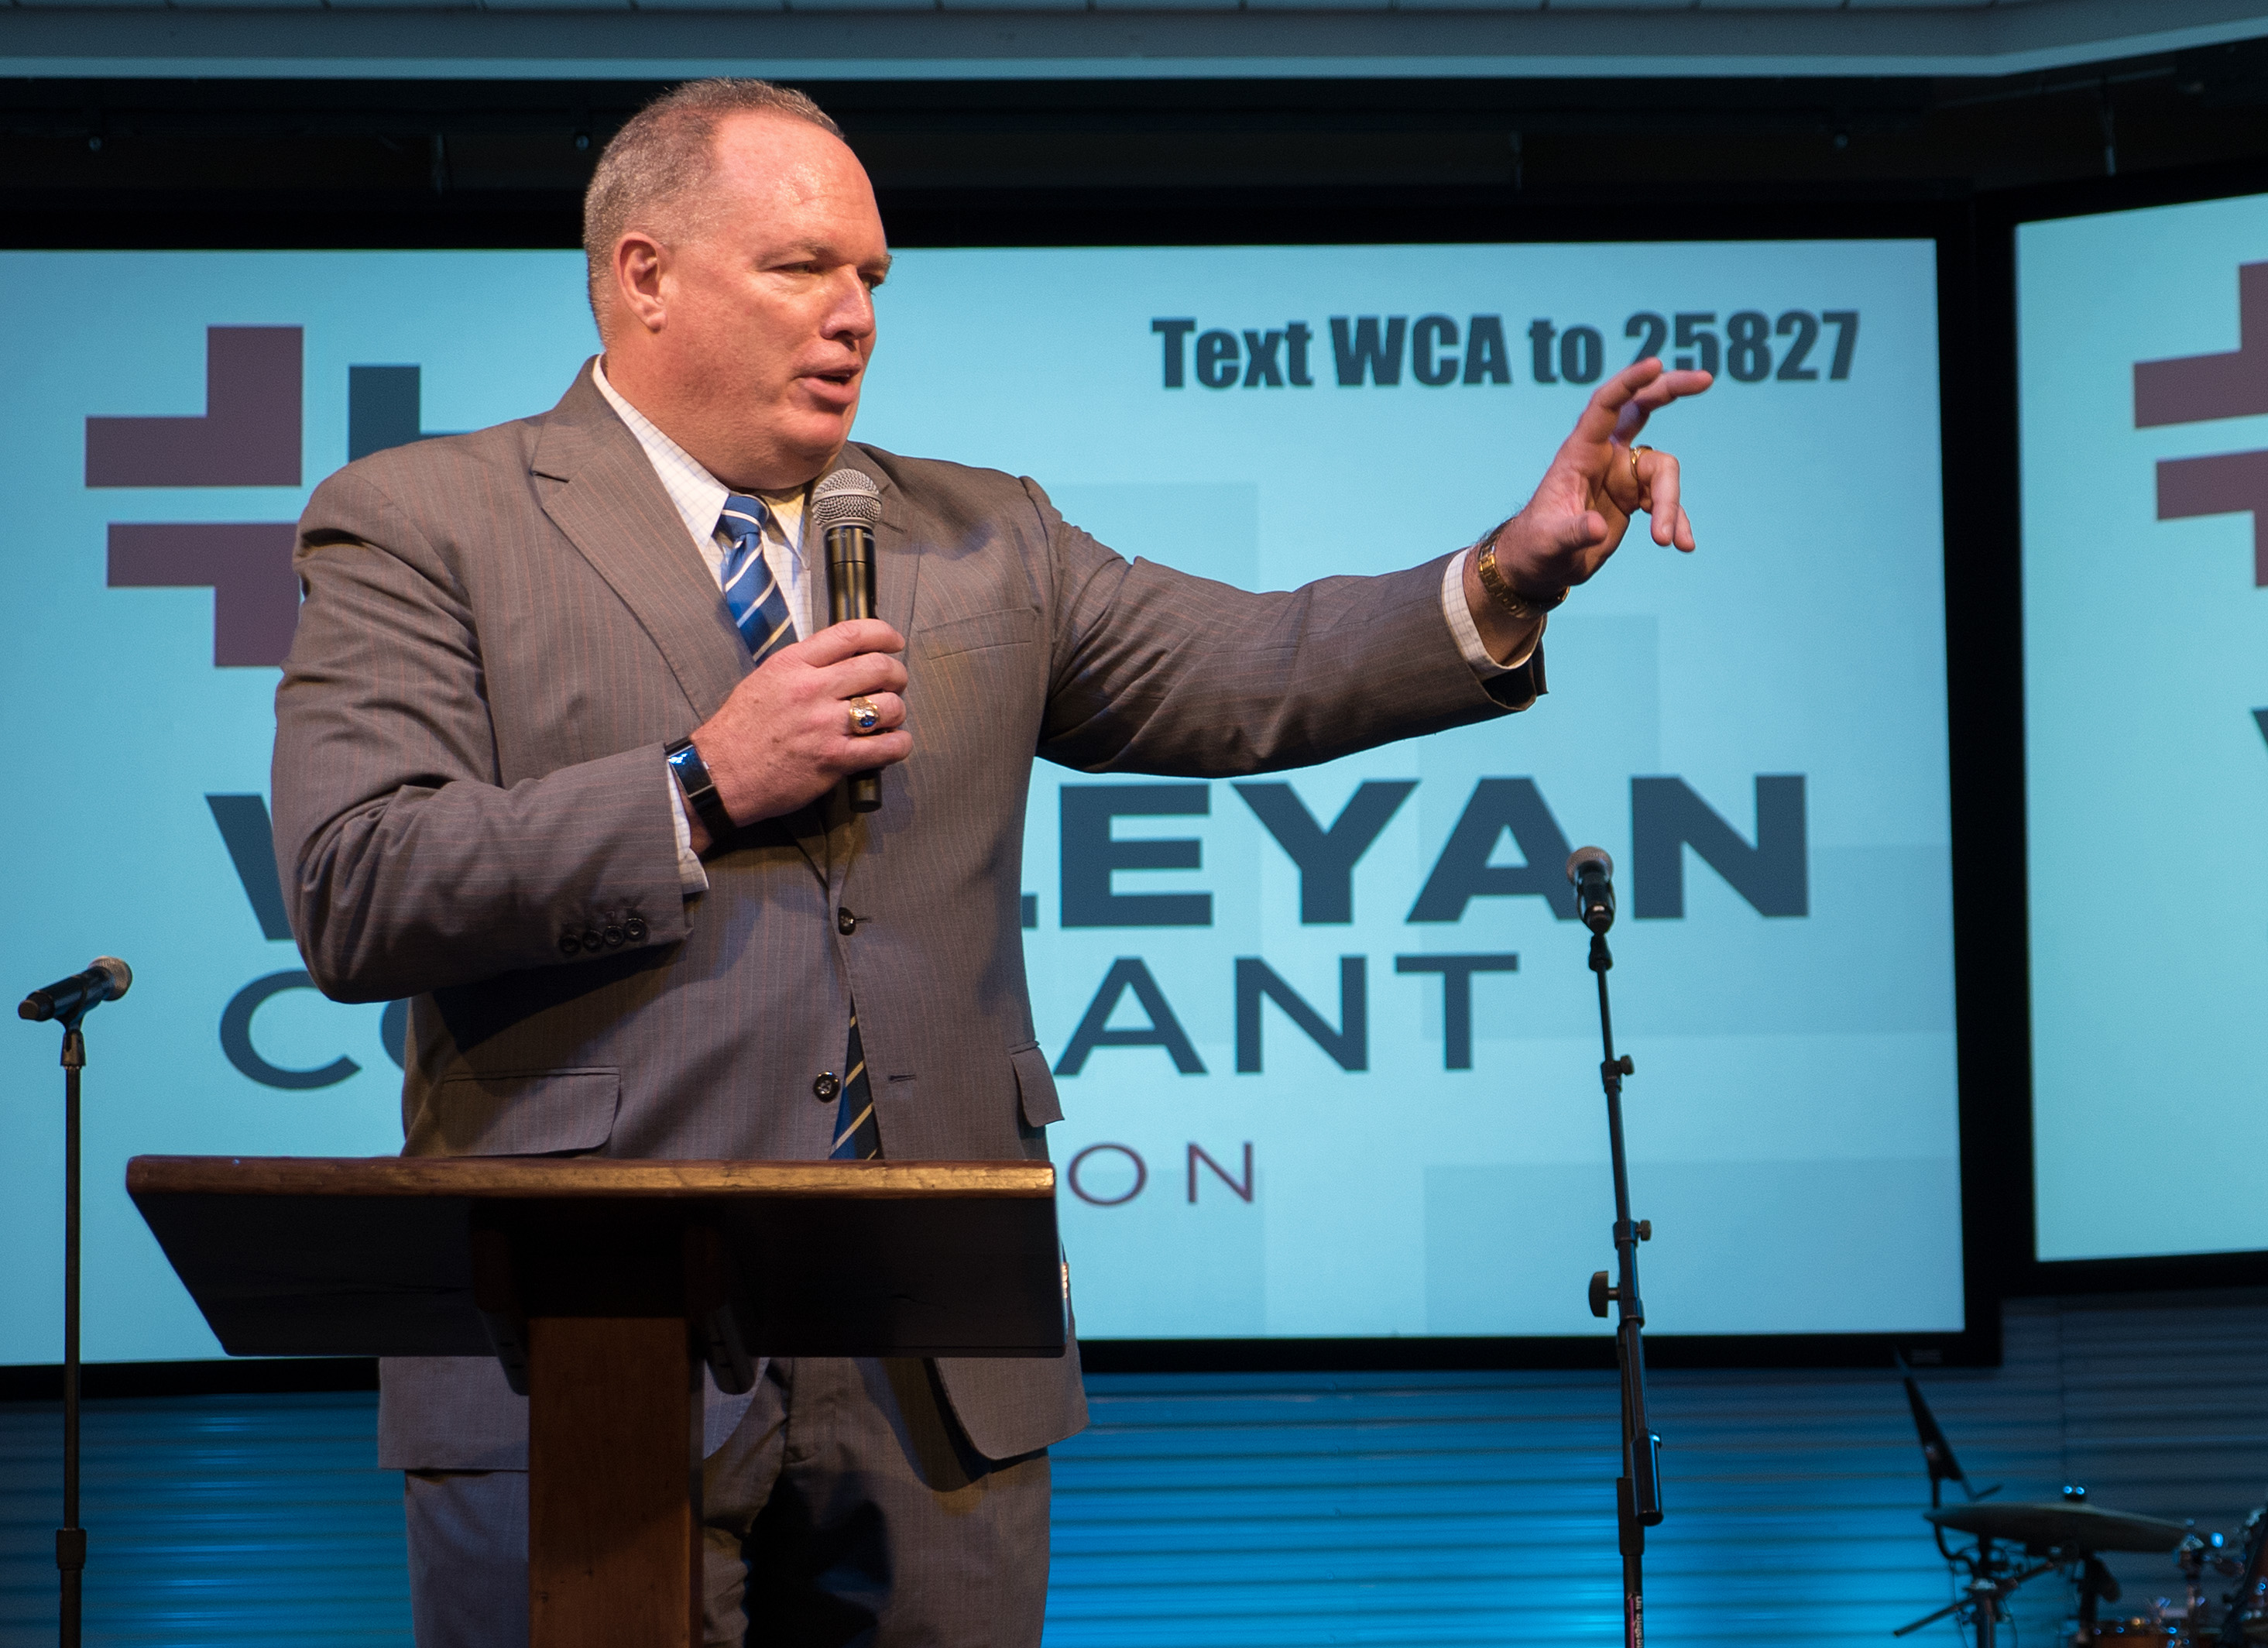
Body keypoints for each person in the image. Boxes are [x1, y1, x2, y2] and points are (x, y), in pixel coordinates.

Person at [272, 75, 1708, 1648]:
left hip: (931, 1364)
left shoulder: (983, 536)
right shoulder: (427, 518)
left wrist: (1505, 575)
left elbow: (1257, 667)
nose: (854, 315)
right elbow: (357, 880)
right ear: (645, 274)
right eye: (801, 267)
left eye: (871, 277)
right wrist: (697, 784)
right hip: (583, 1342)